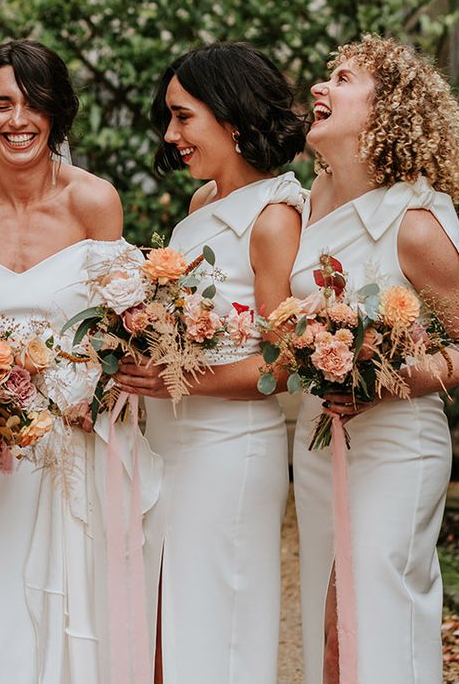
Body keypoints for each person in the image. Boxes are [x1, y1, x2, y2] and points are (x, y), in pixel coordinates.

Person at [0, 39, 158, 683]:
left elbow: (121, 329)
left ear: (59, 114)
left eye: (34, 103)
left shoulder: (93, 202)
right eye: (1, 104)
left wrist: (94, 391)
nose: (18, 120)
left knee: (83, 617)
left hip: (80, 441)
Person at [292, 36, 459, 684]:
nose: (321, 88)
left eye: (343, 77)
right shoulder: (312, 201)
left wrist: (383, 380)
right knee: (328, 622)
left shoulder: (411, 221)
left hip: (397, 442)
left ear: (387, 109)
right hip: (321, 438)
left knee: (378, 612)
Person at [116, 42, 306, 684]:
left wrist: (178, 377)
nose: (172, 135)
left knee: (218, 613)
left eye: (182, 116)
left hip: (231, 447)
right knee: (165, 610)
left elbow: (281, 366)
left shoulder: (276, 217)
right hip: (170, 438)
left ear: (230, 116)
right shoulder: (200, 206)